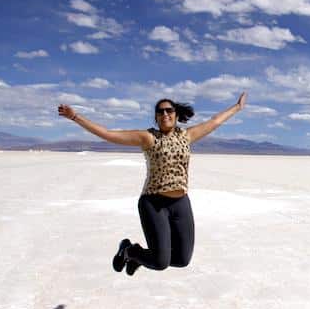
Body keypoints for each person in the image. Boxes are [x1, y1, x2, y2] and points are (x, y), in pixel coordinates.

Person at [57, 92, 247, 275]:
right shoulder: (148, 138)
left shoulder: (186, 136)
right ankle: (129, 252)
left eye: (169, 110)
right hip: (154, 203)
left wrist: (237, 107)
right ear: (156, 118)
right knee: (160, 262)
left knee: (181, 260)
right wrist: (75, 117)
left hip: (180, 203)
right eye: (160, 111)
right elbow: (109, 134)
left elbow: (214, 122)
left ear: (176, 115)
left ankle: (138, 258)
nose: (165, 114)